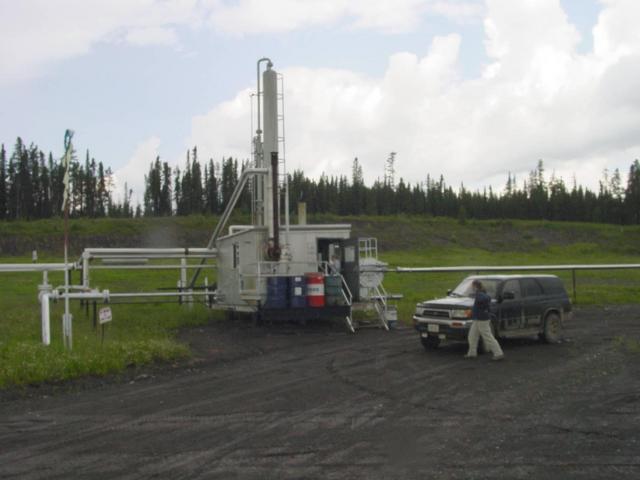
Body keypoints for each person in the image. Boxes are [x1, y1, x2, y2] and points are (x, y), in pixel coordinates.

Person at [465, 279, 505, 361]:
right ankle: (472, 353)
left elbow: (485, 299)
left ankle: (498, 353)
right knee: (472, 336)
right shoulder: (480, 293)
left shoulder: (480, 294)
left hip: (481, 319)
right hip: (479, 318)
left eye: (472, 286)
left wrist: (477, 297)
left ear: (475, 286)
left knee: (487, 336)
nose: (471, 287)